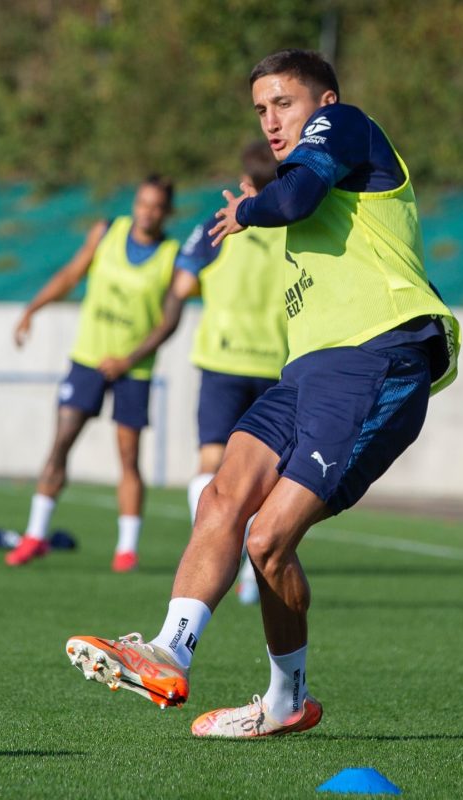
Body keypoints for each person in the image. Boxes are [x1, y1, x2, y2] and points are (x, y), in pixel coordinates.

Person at [65, 49, 460, 737]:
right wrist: (257, 209)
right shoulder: (303, 183)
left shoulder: (344, 128)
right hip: (306, 373)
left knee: (270, 539)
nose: (271, 120)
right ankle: (168, 651)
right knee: (222, 495)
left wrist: (252, 210)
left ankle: (286, 700)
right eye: (260, 110)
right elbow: (295, 200)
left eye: (284, 103)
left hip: (379, 359)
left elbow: (295, 196)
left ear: (324, 102)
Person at [98, 141, 288, 604]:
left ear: (246, 181)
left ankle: (215, 547)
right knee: (267, 476)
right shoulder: (296, 227)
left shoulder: (218, 226)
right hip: (276, 365)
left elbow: (179, 288)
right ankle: (252, 571)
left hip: (222, 362)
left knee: (211, 465)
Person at [7, 175, 179, 572]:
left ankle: (126, 550)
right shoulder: (107, 233)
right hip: (87, 359)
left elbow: (169, 321)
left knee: (128, 457)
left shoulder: (171, 256)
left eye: (156, 207)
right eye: (142, 203)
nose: (147, 213)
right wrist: (33, 308)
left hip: (133, 369)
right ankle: (34, 536)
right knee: (61, 443)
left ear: (167, 212)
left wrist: (128, 358)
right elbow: (71, 274)